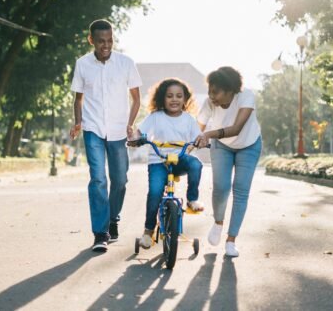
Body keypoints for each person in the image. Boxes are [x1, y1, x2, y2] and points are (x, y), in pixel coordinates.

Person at [69, 19, 142, 252]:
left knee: (120, 180)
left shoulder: (126, 63)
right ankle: (100, 233)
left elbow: (136, 98)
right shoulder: (82, 64)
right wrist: (78, 122)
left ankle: (113, 219)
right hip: (92, 129)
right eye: (101, 41)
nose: (106, 45)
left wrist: (130, 124)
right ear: (91, 40)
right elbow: (78, 98)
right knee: (98, 179)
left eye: (110, 40)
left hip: (119, 130)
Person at [195, 66, 262, 257]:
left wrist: (208, 134)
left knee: (240, 190)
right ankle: (218, 222)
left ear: (230, 90)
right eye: (209, 91)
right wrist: (188, 144)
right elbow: (196, 129)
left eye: (216, 92)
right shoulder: (210, 103)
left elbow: (236, 128)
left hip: (249, 145)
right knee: (221, 187)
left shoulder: (246, 96)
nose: (211, 96)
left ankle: (231, 240)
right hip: (222, 146)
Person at [132, 78, 204, 249]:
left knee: (196, 164)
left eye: (179, 96)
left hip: (180, 159)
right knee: (155, 193)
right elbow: (139, 132)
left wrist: (201, 140)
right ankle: (148, 232)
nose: (174, 99)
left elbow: (197, 137)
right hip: (158, 161)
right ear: (162, 99)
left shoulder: (188, 119)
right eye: (169, 96)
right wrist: (136, 138)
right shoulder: (155, 117)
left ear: (185, 99)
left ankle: (192, 199)